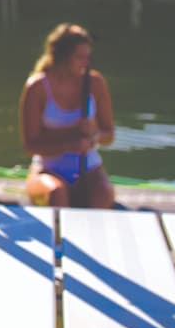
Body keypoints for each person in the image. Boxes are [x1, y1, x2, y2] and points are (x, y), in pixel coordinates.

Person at [19, 23, 115, 208]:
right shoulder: (37, 87)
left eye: (87, 57)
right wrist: (68, 143)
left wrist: (94, 135)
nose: (85, 63)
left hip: (89, 168)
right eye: (79, 57)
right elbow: (30, 146)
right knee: (57, 194)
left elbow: (109, 135)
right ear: (60, 57)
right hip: (47, 169)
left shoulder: (95, 82)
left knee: (102, 195)